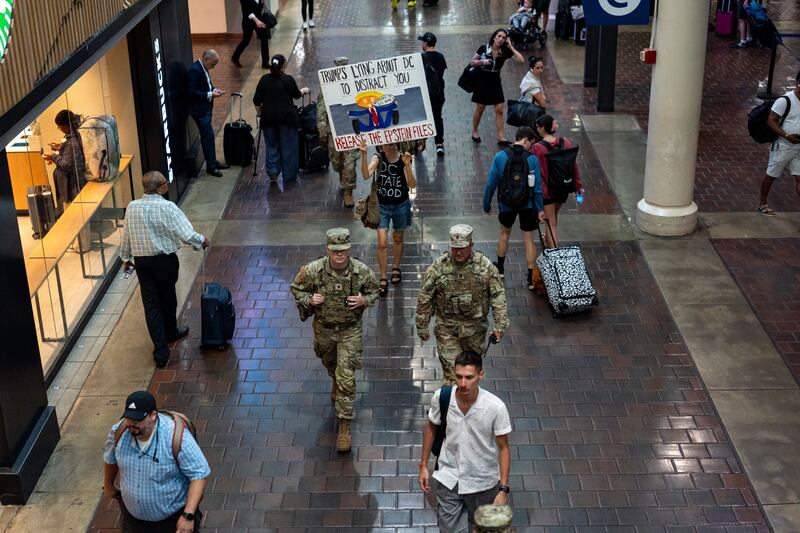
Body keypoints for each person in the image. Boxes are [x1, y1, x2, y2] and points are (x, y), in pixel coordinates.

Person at [290, 228, 379, 453]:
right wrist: (309, 299)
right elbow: (296, 288)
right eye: (334, 251)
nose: (339, 255)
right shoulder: (314, 270)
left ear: (349, 249)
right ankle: (335, 380)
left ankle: (344, 426)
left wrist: (363, 301)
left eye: (343, 251)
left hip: (350, 331)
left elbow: (374, 292)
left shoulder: (361, 271)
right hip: (325, 331)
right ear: (328, 250)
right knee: (331, 364)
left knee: (347, 378)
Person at [120, 171, 209, 368]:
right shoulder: (168, 207)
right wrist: (201, 240)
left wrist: (126, 258)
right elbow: (185, 232)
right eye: (165, 183)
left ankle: (160, 351)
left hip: (142, 263)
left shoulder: (132, 207)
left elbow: (127, 235)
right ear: (160, 187)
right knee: (168, 297)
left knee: (151, 304)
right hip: (165, 262)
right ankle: (171, 331)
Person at [418, 351, 512, 533]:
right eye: (459, 376)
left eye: (469, 377)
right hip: (449, 477)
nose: (463, 383)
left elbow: (503, 448)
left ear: (481, 375)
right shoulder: (442, 397)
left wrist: (503, 489)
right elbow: (431, 428)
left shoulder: (495, 407)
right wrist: (423, 465)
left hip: (483, 481)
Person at [103, 390, 210, 533]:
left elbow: (199, 474)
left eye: (137, 420)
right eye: (129, 418)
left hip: (171, 522)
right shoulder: (119, 432)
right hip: (133, 522)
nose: (131, 424)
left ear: (153, 415)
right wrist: (108, 484)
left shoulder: (176, 437)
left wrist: (188, 516)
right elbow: (110, 458)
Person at [416, 224, 509, 385]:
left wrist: (500, 327)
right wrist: (422, 325)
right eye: (454, 248)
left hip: (475, 330)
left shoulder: (485, 267)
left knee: (470, 378)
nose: (458, 252)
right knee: (454, 378)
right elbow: (425, 296)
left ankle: (469, 408)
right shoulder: (439, 268)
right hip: (447, 329)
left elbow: (498, 296)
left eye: (462, 248)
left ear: (471, 245)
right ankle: (450, 408)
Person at [482, 126, 545, 290]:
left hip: (506, 203)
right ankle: (531, 278)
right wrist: (540, 209)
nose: (531, 146)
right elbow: (537, 188)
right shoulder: (532, 159)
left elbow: (491, 183)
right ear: (525, 139)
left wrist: (486, 204)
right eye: (531, 143)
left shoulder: (500, 156)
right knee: (529, 240)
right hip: (528, 204)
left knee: (504, 234)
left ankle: (501, 269)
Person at [359, 140, 416, 296]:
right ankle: (383, 276)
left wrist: (408, 165)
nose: (389, 146)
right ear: (380, 145)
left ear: (396, 144)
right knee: (382, 242)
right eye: (385, 143)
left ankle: (396, 266)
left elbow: (412, 184)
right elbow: (365, 175)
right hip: (382, 206)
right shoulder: (378, 158)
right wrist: (364, 155)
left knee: (398, 237)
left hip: (401, 204)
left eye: (392, 143)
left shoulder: (403, 158)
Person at [253, 54, 310, 183]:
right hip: (287, 119)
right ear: (283, 65)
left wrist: (260, 113)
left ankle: (273, 171)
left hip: (268, 119)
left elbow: (256, 100)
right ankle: (289, 176)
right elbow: (296, 95)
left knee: (271, 145)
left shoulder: (264, 80)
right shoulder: (287, 79)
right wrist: (304, 90)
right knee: (288, 146)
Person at [532, 114, 583, 248]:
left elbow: (537, 172)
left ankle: (554, 255)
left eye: (538, 127)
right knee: (553, 218)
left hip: (548, 191)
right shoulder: (565, 141)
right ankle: (548, 242)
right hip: (563, 188)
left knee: (551, 224)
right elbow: (573, 166)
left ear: (543, 128)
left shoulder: (538, 147)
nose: (536, 129)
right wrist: (578, 186)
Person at [470, 29, 525, 146]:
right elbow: (472, 62)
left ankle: (501, 137)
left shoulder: (505, 51)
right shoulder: (484, 48)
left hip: (495, 81)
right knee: (480, 108)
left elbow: (521, 60)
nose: (501, 39)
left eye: (503, 38)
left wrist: (511, 47)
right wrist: (482, 61)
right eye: (499, 36)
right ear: (494, 37)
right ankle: (474, 131)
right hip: (482, 80)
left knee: (499, 109)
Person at [318, 57, 360, 207]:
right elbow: (321, 111)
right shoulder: (328, 87)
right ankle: (344, 177)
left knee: (350, 163)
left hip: (350, 129)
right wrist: (322, 133)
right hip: (333, 131)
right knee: (337, 162)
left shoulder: (355, 84)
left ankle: (349, 191)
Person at [758, 71, 800, 216]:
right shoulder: (785, 100)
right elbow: (771, 120)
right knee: (771, 176)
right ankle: (762, 203)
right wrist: (787, 136)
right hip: (783, 146)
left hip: (799, 147)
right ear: (798, 84)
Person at [187, 49, 229, 177]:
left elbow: (206, 84)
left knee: (209, 136)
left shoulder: (203, 68)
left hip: (205, 108)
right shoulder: (195, 70)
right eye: (212, 64)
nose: (214, 67)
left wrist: (214, 89)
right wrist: (211, 94)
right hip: (199, 110)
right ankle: (211, 166)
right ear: (206, 59)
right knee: (208, 136)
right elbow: (192, 92)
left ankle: (212, 160)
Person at [42, 109, 86, 215]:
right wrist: (60, 148)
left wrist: (52, 157)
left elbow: (66, 165)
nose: (60, 129)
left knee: (72, 215)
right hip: (77, 183)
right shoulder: (77, 134)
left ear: (66, 125)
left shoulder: (71, 142)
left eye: (60, 126)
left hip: (72, 187)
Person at [419, 32, 447, 157]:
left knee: (423, 117)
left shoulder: (421, 57)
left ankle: (421, 142)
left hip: (425, 93)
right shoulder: (441, 57)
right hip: (438, 93)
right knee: (437, 117)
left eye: (422, 42)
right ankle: (439, 144)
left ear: (425, 43)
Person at [232, 0, 270, 69]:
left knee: (264, 39)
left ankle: (265, 63)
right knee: (246, 41)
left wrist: (262, 3)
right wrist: (256, 21)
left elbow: (258, 8)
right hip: (248, 23)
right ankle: (235, 57)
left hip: (259, 21)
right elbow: (247, 11)